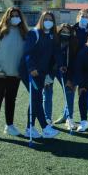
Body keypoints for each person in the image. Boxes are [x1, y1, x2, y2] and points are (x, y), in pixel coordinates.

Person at [0, 6, 28, 141]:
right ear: (7, 17)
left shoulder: (24, 33)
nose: (15, 18)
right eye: (12, 15)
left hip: (14, 75)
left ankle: (9, 126)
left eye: (17, 15)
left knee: (11, 101)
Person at [19, 11, 60, 139]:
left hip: (41, 73)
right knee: (36, 98)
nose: (48, 21)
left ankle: (29, 128)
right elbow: (27, 53)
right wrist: (31, 68)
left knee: (34, 98)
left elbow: (54, 56)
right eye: (46, 19)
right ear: (41, 20)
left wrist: (54, 71)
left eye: (51, 19)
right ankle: (45, 128)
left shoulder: (52, 35)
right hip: (29, 71)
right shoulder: (34, 33)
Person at [46, 23, 78, 131]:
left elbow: (73, 62)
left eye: (68, 32)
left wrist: (69, 78)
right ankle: (47, 119)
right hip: (50, 70)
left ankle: (69, 118)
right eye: (63, 31)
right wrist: (46, 73)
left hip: (64, 70)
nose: (65, 34)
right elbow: (46, 58)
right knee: (47, 92)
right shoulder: (53, 41)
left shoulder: (73, 43)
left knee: (69, 90)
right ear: (59, 32)